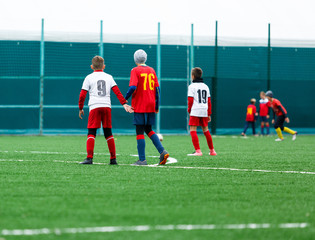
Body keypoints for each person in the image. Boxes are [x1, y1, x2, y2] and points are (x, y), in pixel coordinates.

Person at [78, 56, 132, 165]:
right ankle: (113, 159)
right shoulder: (109, 77)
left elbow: (82, 95)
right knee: (108, 133)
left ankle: (89, 158)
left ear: (91, 66)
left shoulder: (88, 77)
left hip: (94, 106)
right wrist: (124, 103)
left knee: (91, 132)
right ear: (104, 66)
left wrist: (80, 108)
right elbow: (117, 91)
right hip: (106, 106)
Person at [124, 49, 169, 165]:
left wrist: (125, 99)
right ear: (145, 59)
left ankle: (142, 159)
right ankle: (162, 151)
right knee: (148, 129)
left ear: (135, 59)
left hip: (140, 104)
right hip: (150, 105)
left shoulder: (135, 70)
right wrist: (157, 106)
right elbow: (157, 90)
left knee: (139, 131)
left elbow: (133, 87)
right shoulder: (152, 70)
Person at [187, 67, 217, 156]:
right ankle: (212, 151)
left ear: (193, 76)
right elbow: (209, 101)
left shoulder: (191, 86)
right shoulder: (205, 86)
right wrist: (209, 113)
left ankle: (198, 151)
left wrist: (189, 111)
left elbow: (190, 100)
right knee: (206, 130)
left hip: (195, 110)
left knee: (193, 129)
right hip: (204, 109)